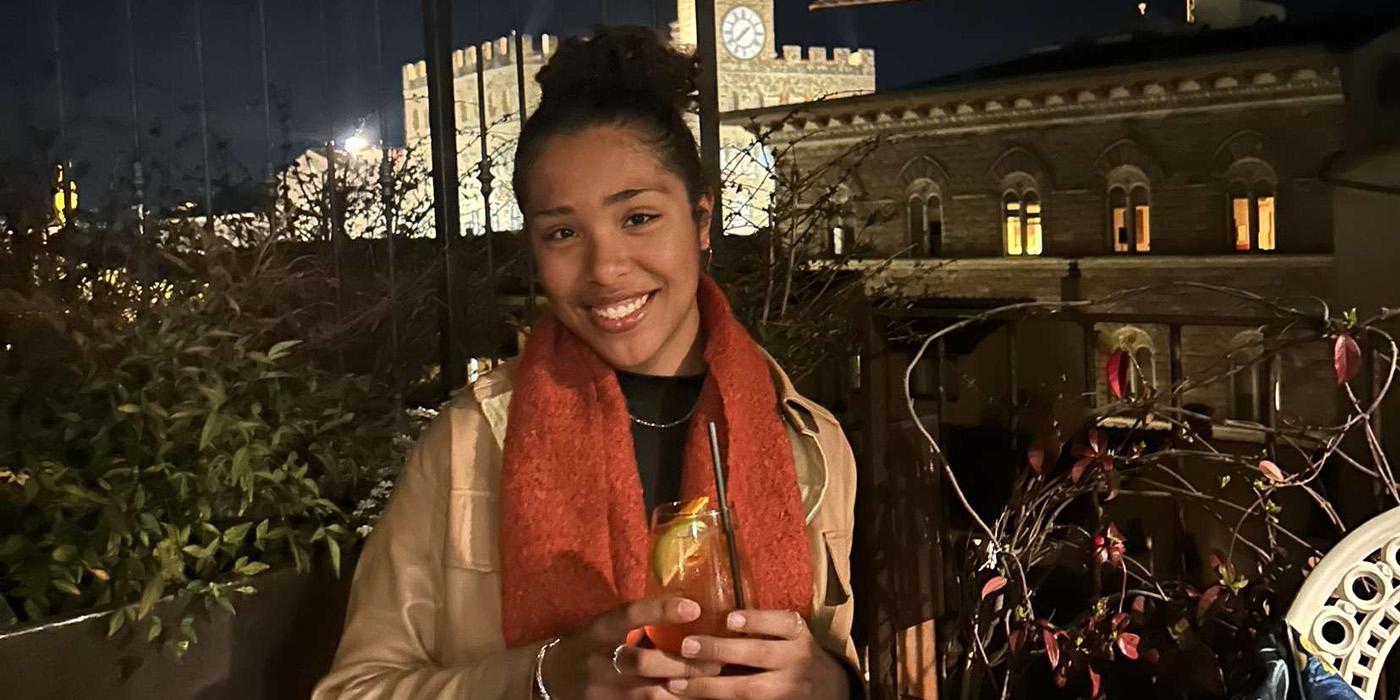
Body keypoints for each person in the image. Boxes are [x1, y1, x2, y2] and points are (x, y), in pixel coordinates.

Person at [313, 27, 861, 700]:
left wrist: (828, 684)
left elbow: (829, 657)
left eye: (638, 218)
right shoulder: (469, 446)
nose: (605, 269)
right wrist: (541, 680)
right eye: (563, 233)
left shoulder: (809, 446)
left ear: (701, 221)